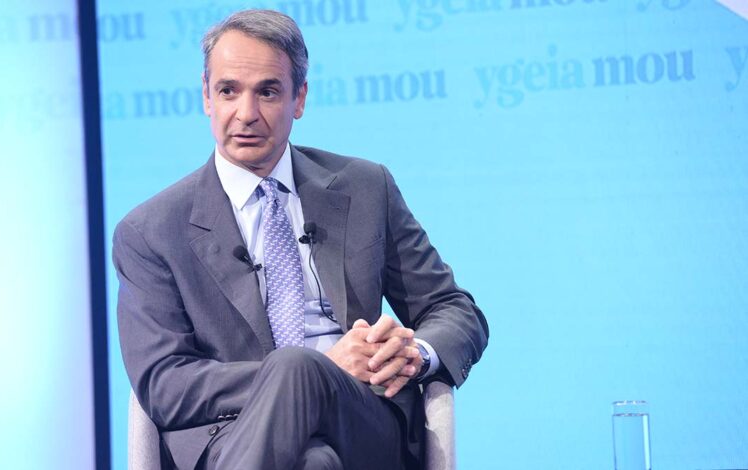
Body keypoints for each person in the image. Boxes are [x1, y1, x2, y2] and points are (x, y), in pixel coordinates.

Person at [114, 9, 488, 470]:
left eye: (267, 92)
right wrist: (314, 368)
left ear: (299, 99)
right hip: (231, 434)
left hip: (360, 419)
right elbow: (163, 383)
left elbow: (453, 309)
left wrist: (413, 354)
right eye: (228, 91)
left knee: (300, 375)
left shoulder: (365, 188)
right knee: (313, 458)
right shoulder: (151, 231)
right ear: (206, 96)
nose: (246, 114)